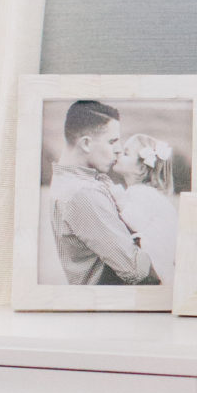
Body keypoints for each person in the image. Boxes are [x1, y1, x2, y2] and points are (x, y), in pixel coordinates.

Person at [47, 100, 153, 286]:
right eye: (112, 141)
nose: (119, 149)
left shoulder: (69, 181)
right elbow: (137, 271)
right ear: (86, 143)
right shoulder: (83, 193)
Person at [113, 134, 178, 290]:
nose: (118, 154)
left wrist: (118, 198)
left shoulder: (141, 192)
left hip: (156, 268)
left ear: (141, 167)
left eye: (126, 153)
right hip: (161, 267)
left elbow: (135, 222)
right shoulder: (147, 193)